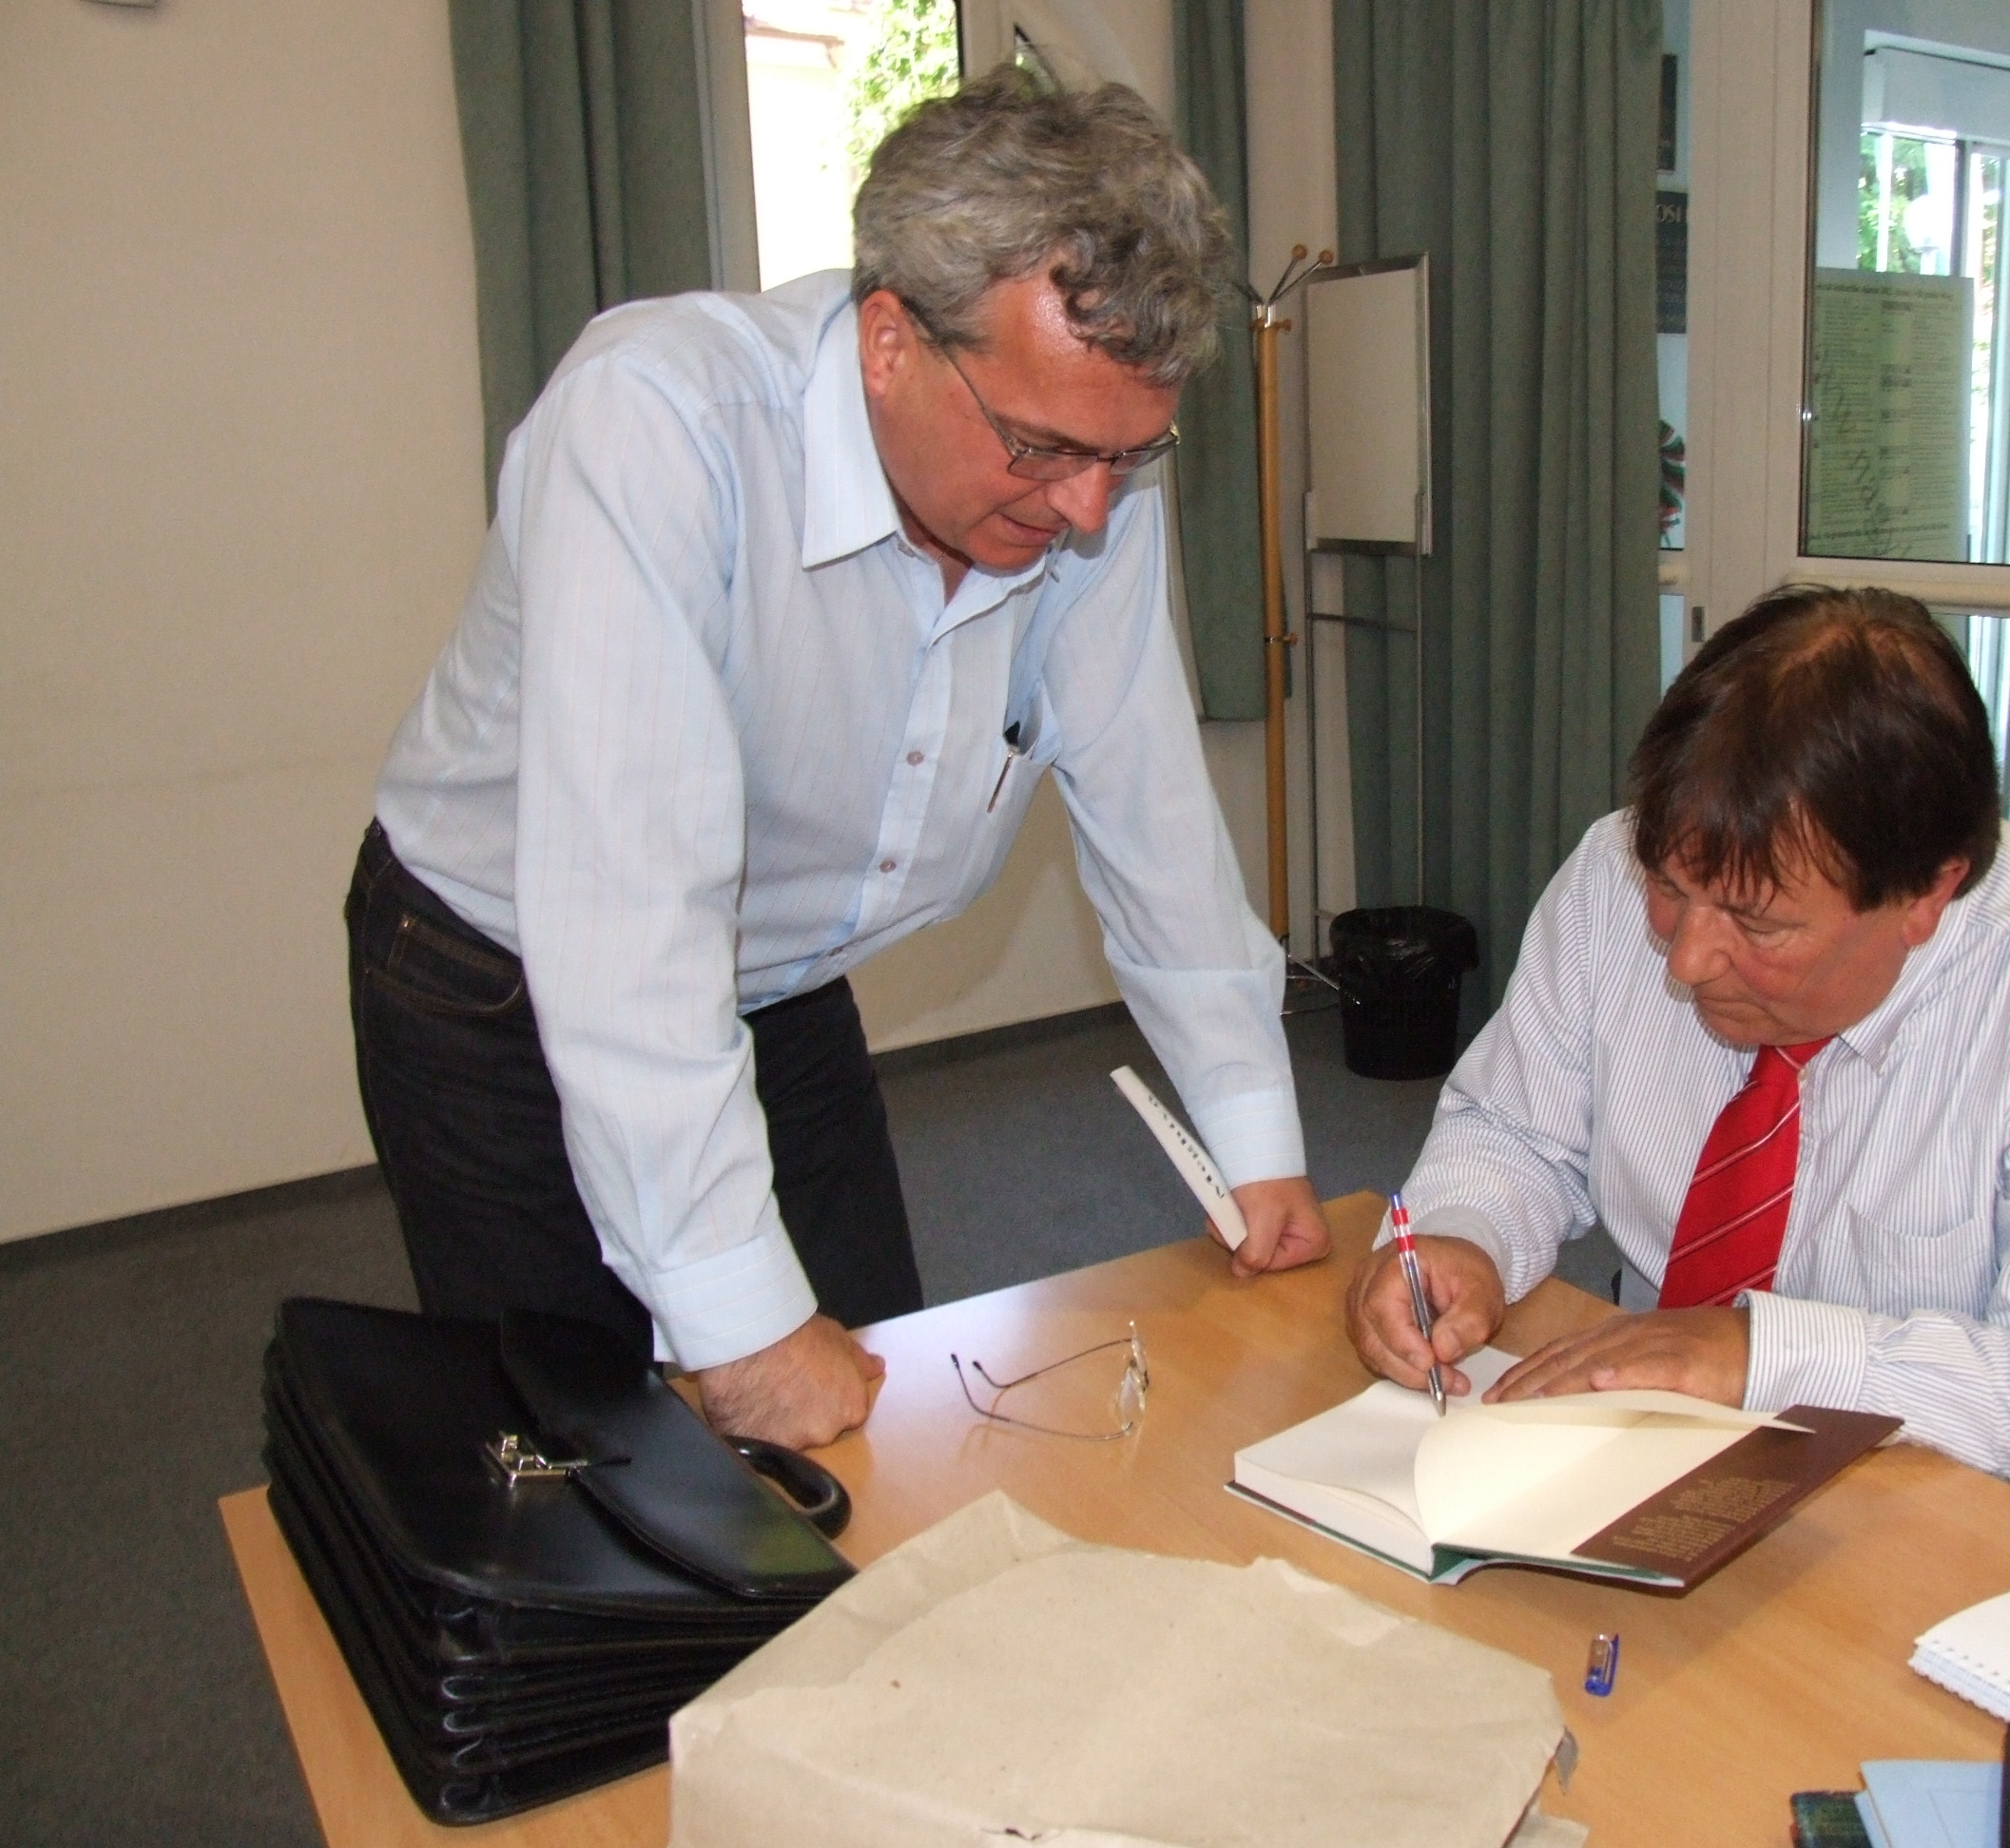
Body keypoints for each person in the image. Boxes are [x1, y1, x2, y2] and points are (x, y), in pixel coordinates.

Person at [349, 69, 1329, 1453]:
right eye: (1044, 447)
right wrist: (741, 1330)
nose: (1087, 509)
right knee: (580, 1457)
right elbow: (632, 912)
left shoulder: (1087, 476)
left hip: (778, 973)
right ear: (888, 343)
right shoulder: (656, 426)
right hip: (492, 968)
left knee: (875, 1409)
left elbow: (1151, 810)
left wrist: (1255, 1137)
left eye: (1128, 453)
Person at [1345, 585, 2010, 1525]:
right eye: (1670, 889)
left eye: (1758, 924)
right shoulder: (1611, 875)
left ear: (1926, 895)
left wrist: (1766, 1356)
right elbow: (1516, 1131)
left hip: (1946, 1516)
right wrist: (1467, 1234)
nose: (1688, 959)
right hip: (1653, 1468)